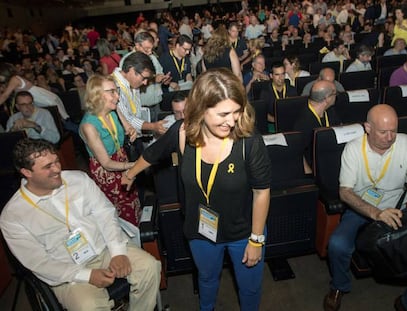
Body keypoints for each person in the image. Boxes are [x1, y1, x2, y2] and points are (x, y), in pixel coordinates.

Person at [122, 68, 271, 311]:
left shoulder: (249, 140)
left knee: (249, 288)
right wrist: (130, 173)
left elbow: (262, 192)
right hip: (201, 231)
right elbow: (152, 154)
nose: (232, 121)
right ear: (202, 109)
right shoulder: (182, 132)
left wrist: (256, 239)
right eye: (223, 114)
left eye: (236, 112)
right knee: (207, 280)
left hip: (244, 232)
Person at [0, 138, 161, 311]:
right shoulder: (13, 216)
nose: (57, 169)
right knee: (88, 306)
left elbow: (106, 214)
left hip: (104, 248)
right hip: (66, 272)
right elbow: (39, 263)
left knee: (149, 267)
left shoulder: (78, 180)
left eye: (56, 162)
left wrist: (117, 252)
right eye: (47, 167)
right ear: (26, 172)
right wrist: (86, 275)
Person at [323, 104, 407, 311]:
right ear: (368, 128)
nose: (390, 137)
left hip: (397, 208)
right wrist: (376, 213)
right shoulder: (354, 149)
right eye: (383, 132)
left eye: (394, 130)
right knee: (338, 244)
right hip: (362, 209)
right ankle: (339, 286)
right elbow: (345, 192)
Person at [79, 75, 141, 226]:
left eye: (116, 91)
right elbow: (106, 163)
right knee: (120, 215)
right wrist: (133, 165)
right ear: (96, 95)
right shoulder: (89, 126)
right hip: (108, 173)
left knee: (133, 204)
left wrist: (130, 130)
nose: (117, 96)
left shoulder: (113, 109)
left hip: (122, 161)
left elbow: (127, 126)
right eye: (112, 92)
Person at [112, 51, 167, 139]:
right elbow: (127, 119)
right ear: (131, 69)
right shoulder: (114, 87)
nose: (145, 83)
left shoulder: (133, 84)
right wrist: (153, 126)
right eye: (144, 78)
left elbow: (135, 110)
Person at [120, 31, 171, 122]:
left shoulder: (152, 57)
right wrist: (153, 79)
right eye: (146, 49)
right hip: (141, 106)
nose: (149, 52)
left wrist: (164, 79)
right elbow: (128, 85)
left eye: (151, 49)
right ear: (137, 45)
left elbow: (159, 73)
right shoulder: (128, 60)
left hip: (156, 103)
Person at [294, 80, 341, 172]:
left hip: (332, 157)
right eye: (335, 93)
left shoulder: (330, 111)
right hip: (316, 167)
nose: (336, 96)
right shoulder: (303, 122)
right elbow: (298, 153)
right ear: (327, 98)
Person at [0, 63, 71, 123]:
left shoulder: (14, 79)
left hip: (42, 99)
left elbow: (5, 95)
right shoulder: (14, 79)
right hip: (40, 99)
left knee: (63, 121)